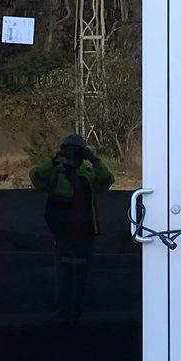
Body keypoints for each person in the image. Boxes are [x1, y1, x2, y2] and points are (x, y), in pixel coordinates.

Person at [30, 133, 114, 320]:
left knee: (84, 275)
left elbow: (107, 181)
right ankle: (63, 312)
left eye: (77, 151)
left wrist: (95, 160)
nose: (72, 154)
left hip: (86, 232)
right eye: (68, 149)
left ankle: (80, 311)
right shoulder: (54, 172)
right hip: (63, 232)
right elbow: (36, 177)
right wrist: (54, 161)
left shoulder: (87, 172)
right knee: (64, 275)